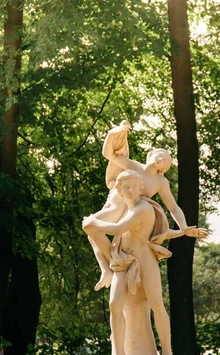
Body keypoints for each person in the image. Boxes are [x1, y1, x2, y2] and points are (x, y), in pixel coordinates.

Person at [82, 170, 188, 355]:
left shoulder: (143, 208)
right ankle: (118, 354)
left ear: (141, 188)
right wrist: (93, 228)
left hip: (144, 260)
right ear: (119, 191)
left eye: (134, 186)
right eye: (126, 187)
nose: (131, 190)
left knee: (157, 304)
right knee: (114, 304)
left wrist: (93, 221)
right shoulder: (124, 208)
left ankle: (167, 353)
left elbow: (117, 229)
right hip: (123, 260)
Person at [86, 121, 207, 291]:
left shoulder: (160, 182)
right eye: (159, 154)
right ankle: (108, 268)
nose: (160, 158)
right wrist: (114, 133)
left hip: (123, 210)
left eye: (165, 159)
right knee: (90, 230)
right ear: (149, 157)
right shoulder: (134, 165)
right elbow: (108, 154)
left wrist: (184, 227)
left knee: (91, 227)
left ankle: (110, 266)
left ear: (164, 169)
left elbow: (173, 207)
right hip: (114, 202)